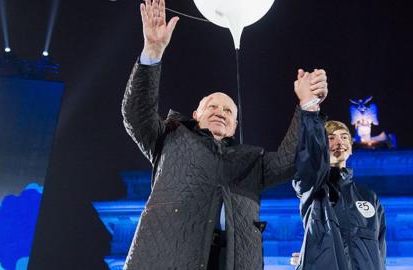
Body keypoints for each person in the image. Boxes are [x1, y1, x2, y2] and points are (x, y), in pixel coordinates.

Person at [121, 0, 328, 269]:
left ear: (234, 126)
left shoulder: (251, 161)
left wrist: (307, 107)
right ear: (196, 114)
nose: (221, 112)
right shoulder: (170, 137)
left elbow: (291, 159)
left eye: (228, 111)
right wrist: (152, 53)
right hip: (169, 257)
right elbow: (135, 113)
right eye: (212, 107)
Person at [292, 120, 386, 269]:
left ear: (351, 147)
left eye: (344, 137)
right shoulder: (314, 187)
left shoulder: (368, 197)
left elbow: (380, 250)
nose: (339, 142)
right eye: (330, 138)